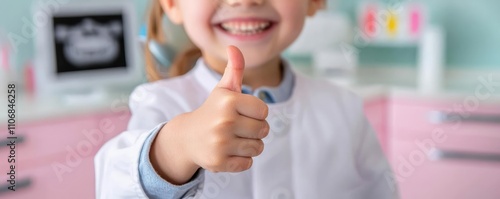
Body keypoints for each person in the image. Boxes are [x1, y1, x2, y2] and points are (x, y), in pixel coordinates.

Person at [95, 0, 399, 198]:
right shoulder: (159, 104)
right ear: (172, 4)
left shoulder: (344, 108)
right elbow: (115, 187)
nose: (245, 1)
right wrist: (178, 146)